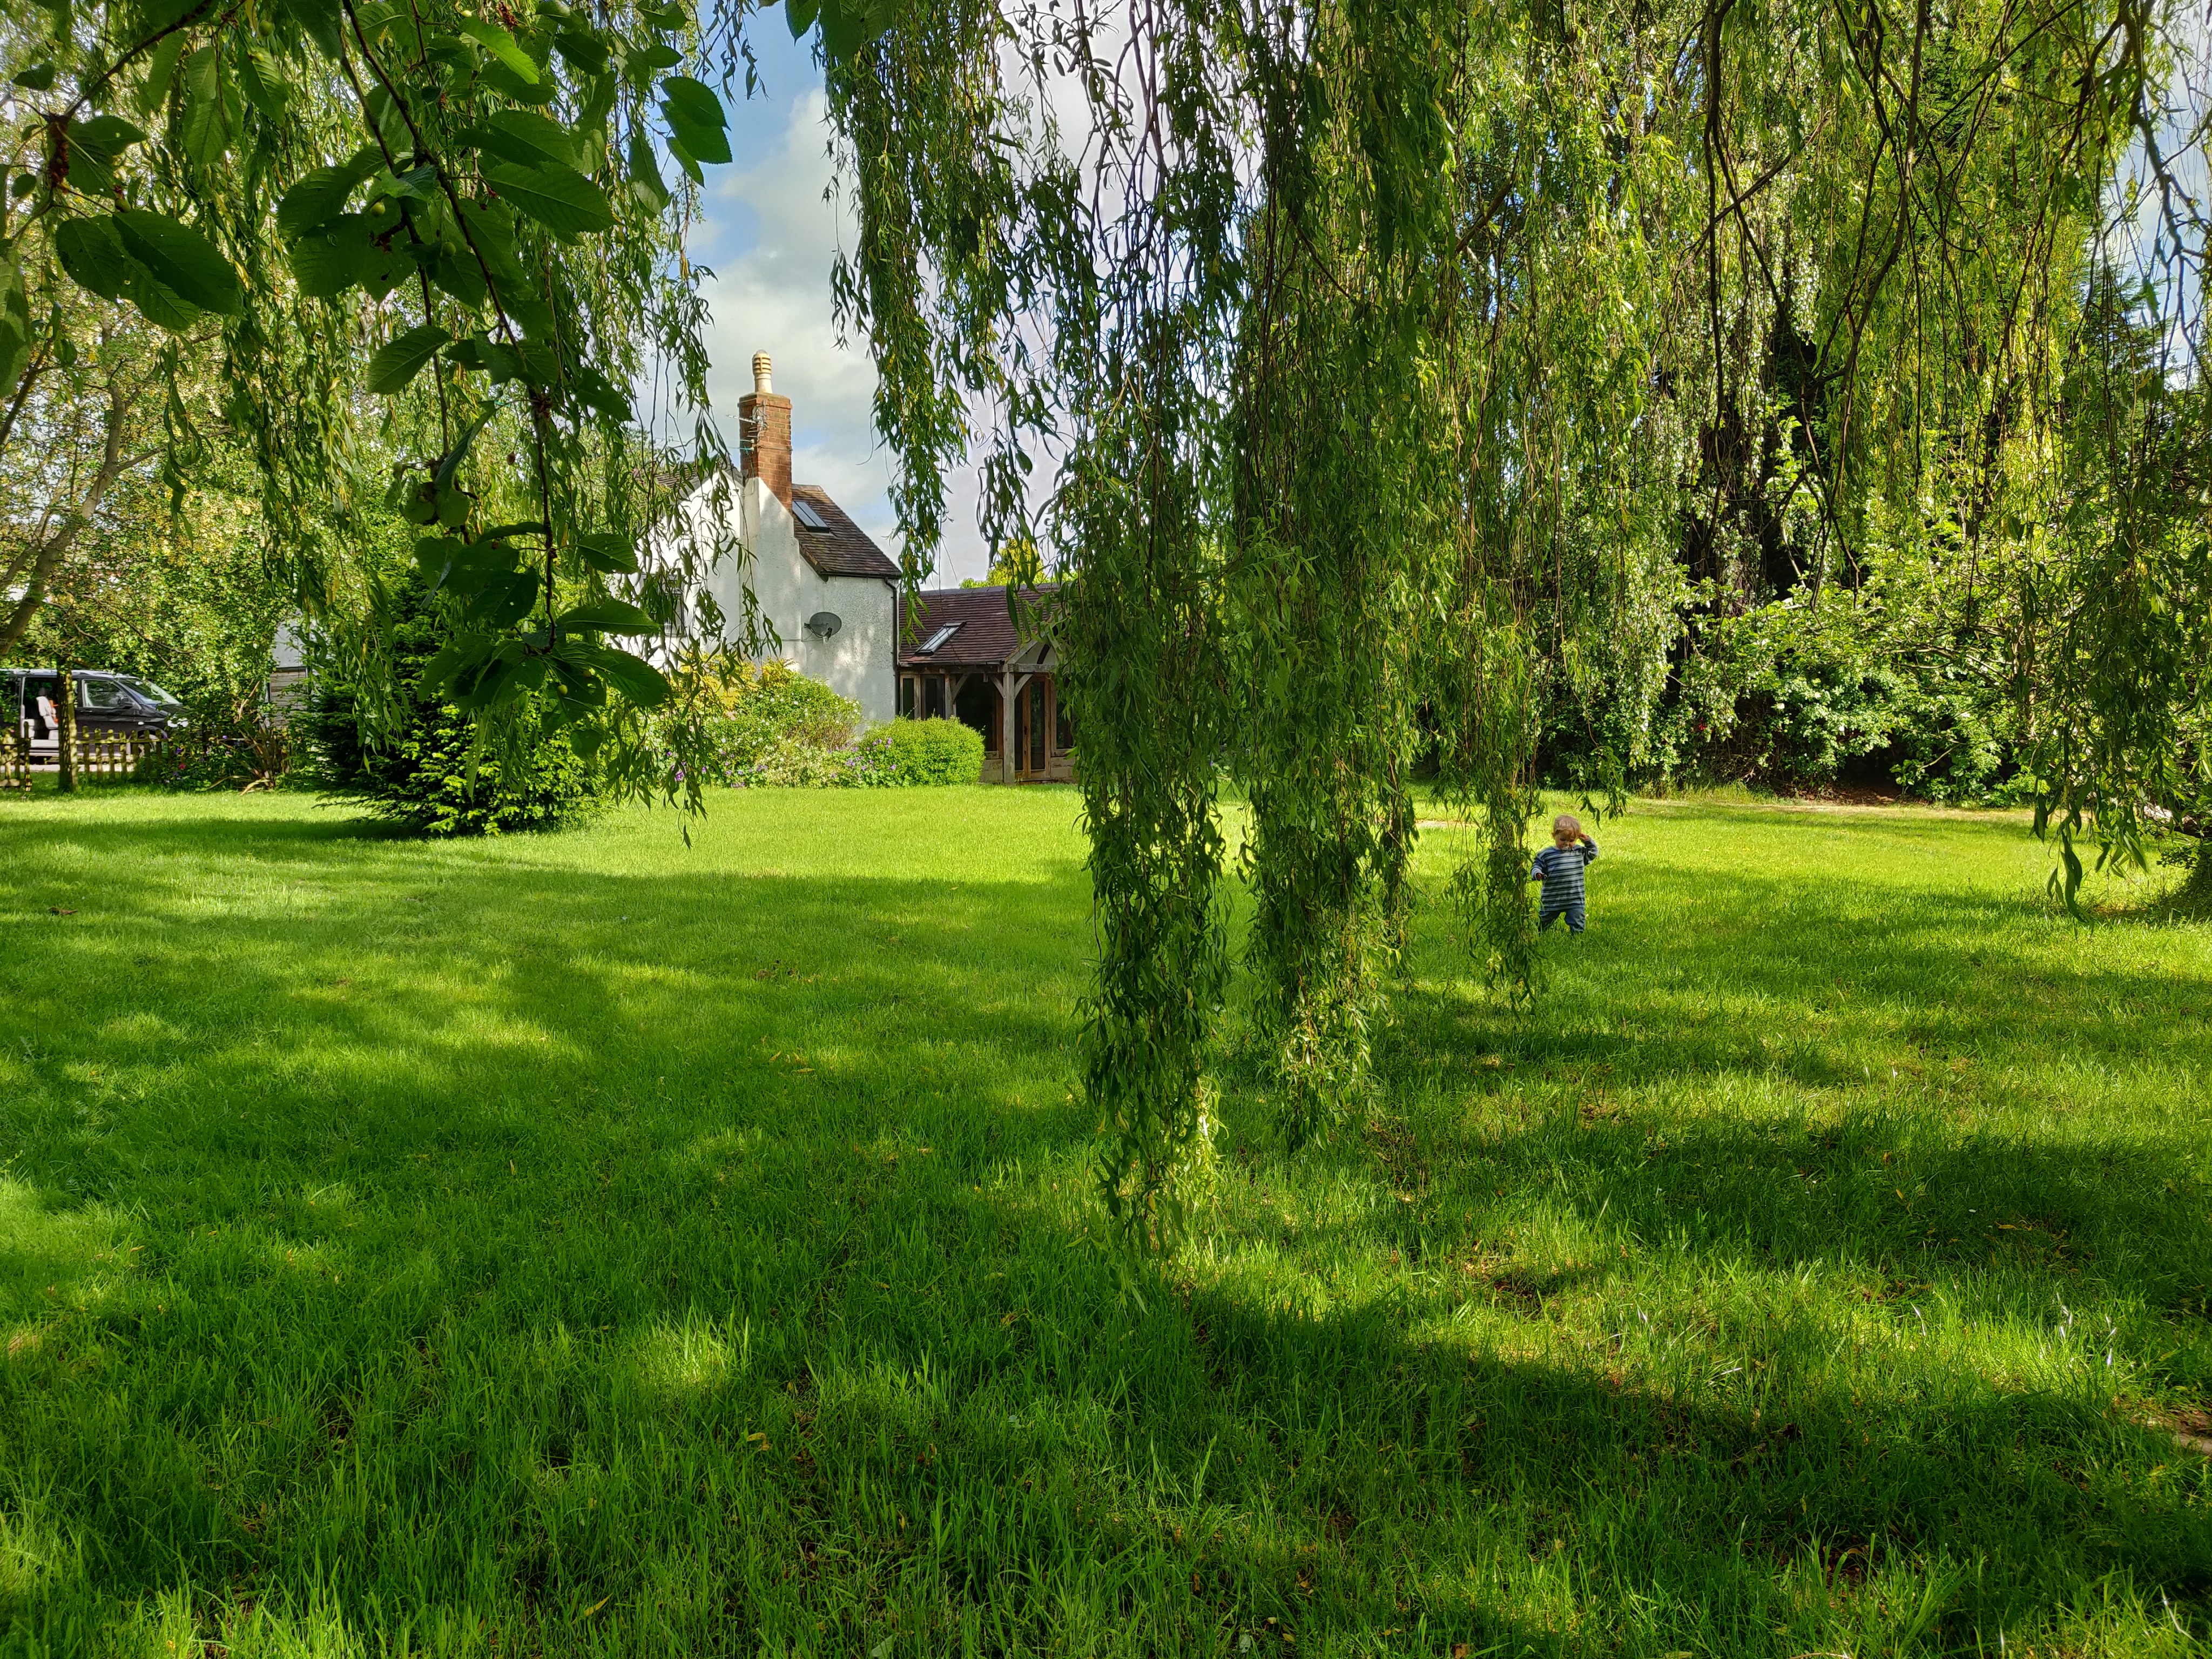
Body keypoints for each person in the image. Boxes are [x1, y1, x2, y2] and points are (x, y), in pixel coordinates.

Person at [1529, 813, 1599, 934]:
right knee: (1543, 922)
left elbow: (1593, 853)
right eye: (1563, 840)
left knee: (1578, 922)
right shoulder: (1546, 854)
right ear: (1554, 836)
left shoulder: (1579, 852)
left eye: (1571, 841)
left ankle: (1577, 939)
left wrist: (1588, 841)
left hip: (1574, 899)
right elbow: (1536, 865)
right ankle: (1537, 934)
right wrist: (1537, 873)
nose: (1567, 843)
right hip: (1552, 899)